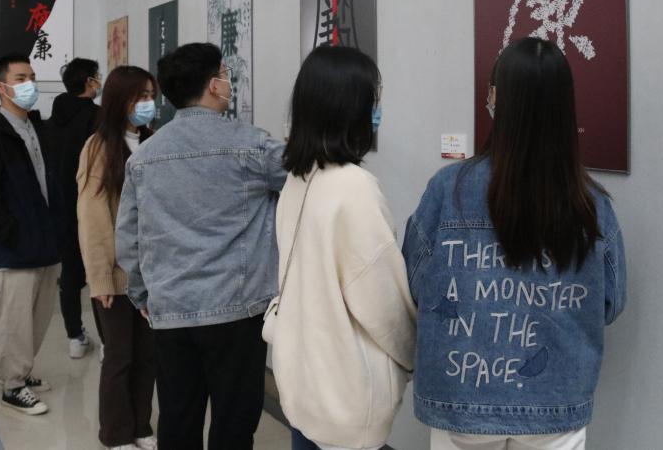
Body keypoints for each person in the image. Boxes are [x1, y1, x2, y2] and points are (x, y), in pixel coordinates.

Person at [402, 37, 627, 450]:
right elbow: (610, 303)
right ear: (564, 107)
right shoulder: (592, 206)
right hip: (554, 405)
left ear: (496, 98)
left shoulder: (448, 190)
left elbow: (415, 283)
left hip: (462, 396)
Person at [115, 42, 287, 450]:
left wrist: (142, 293)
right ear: (213, 84)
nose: (228, 81)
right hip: (237, 310)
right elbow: (306, 177)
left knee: (177, 418)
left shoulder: (144, 156)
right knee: (234, 422)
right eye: (225, 74)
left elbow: (129, 236)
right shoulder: (253, 145)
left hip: (171, 310)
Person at [267, 46, 416, 450]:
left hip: (302, 382)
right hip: (345, 394)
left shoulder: (298, 179)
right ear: (349, 107)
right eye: (373, 98)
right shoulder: (354, 187)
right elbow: (382, 302)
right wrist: (415, 355)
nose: (377, 109)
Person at [0, 54, 63, 416]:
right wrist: (10, 233)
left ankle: (18, 371)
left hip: (46, 239)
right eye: (21, 78)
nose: (30, 84)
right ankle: (12, 385)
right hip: (15, 244)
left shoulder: (35, 126)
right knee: (16, 319)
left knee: (39, 317)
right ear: (1, 87)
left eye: (32, 77)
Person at [77, 66, 158, 450]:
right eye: (140, 96)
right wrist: (100, 278)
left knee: (148, 355)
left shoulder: (154, 142)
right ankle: (115, 433)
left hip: (153, 275)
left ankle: (141, 426)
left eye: (151, 96)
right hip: (117, 275)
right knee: (120, 355)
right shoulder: (98, 147)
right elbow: (93, 218)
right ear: (119, 100)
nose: (147, 103)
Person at [48, 57, 102, 358]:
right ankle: (108, 340)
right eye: (97, 76)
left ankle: (75, 337)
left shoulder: (53, 118)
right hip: (94, 205)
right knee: (101, 273)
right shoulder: (98, 118)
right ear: (88, 81)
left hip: (62, 207)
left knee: (69, 275)